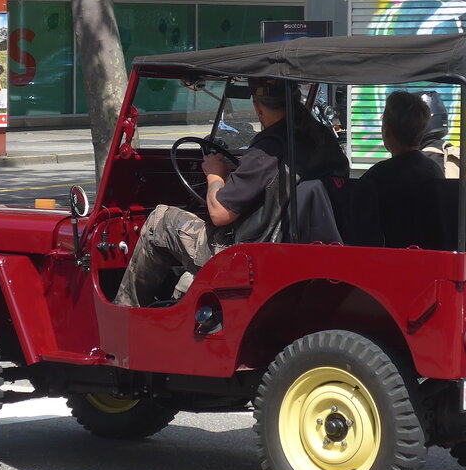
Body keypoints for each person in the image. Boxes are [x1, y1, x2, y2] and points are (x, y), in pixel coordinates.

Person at [114, 78, 349, 308]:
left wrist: (215, 175)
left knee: (160, 219)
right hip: (293, 247)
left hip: (244, 253)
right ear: (297, 98)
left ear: (257, 107)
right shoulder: (322, 138)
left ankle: (125, 313)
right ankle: (180, 302)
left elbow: (220, 214)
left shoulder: (269, 147)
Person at [348, 89, 445, 247]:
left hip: (387, 264)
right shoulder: (435, 170)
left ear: (386, 130)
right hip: (430, 261)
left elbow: (360, 236)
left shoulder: (375, 178)